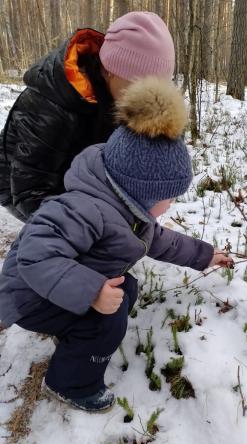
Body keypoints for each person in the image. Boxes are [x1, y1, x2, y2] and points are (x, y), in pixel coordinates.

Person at [0, 76, 233, 412]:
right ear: (139, 190)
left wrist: (205, 254)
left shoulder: (126, 207)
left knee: (126, 290)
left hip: (56, 283)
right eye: (167, 198)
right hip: (29, 296)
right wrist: (92, 291)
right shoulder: (84, 208)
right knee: (107, 321)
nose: (170, 205)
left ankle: (75, 331)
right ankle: (70, 383)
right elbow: (37, 256)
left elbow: (160, 241)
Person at [0, 11, 175, 222]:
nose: (146, 96)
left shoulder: (122, 95)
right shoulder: (51, 105)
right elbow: (30, 191)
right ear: (110, 69)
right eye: (139, 85)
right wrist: (88, 228)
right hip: (20, 184)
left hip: (75, 172)